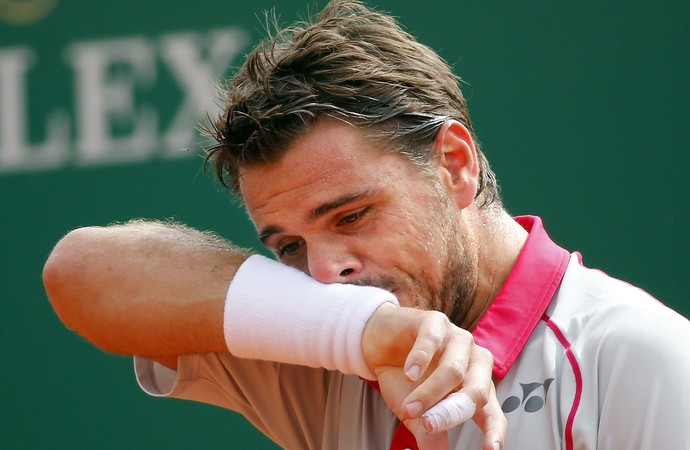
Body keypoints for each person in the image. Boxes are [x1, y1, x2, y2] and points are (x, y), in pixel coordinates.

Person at [42, 1, 690, 449]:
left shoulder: (639, 359)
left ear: (455, 166)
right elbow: (79, 274)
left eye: (351, 215)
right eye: (289, 246)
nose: (326, 272)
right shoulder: (331, 335)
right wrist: (359, 332)